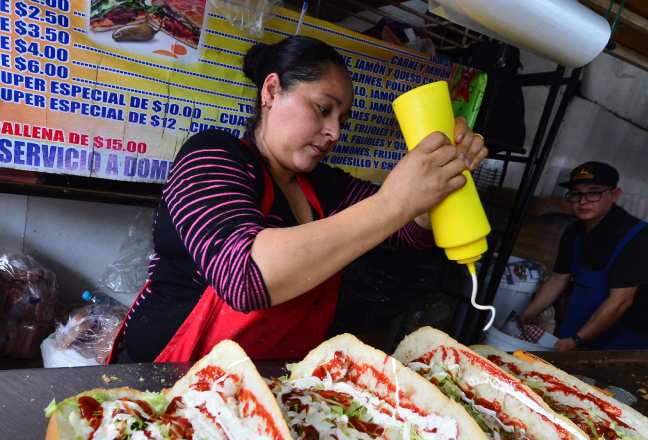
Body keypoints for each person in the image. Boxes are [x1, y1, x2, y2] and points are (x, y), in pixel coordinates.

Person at [110, 35, 488, 362]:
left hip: (267, 377)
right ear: (272, 91)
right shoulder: (210, 157)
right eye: (323, 109)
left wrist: (435, 188)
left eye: (342, 118)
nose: (335, 132)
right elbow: (244, 276)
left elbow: (405, 232)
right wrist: (395, 201)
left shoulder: (325, 186)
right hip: (168, 370)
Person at [521, 161, 648, 351]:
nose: (583, 201)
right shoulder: (573, 232)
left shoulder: (636, 236)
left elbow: (620, 301)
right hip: (585, 330)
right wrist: (524, 316)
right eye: (576, 194)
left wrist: (576, 340)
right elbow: (559, 278)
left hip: (630, 339)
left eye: (593, 192)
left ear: (615, 195)